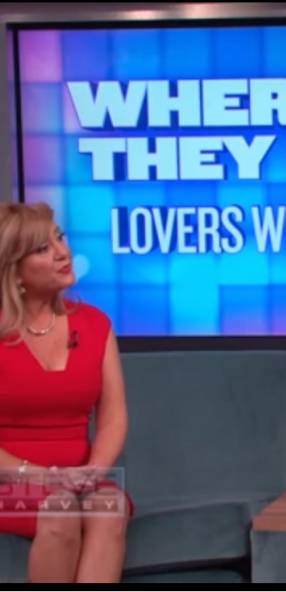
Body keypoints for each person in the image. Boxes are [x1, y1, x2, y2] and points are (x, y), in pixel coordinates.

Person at [0, 202, 131, 583]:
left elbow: (113, 418)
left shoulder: (95, 324)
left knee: (110, 505)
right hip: (9, 481)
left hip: (78, 480)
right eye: (43, 249)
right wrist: (45, 478)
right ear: (14, 270)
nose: (63, 253)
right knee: (60, 509)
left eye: (60, 238)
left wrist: (94, 471)